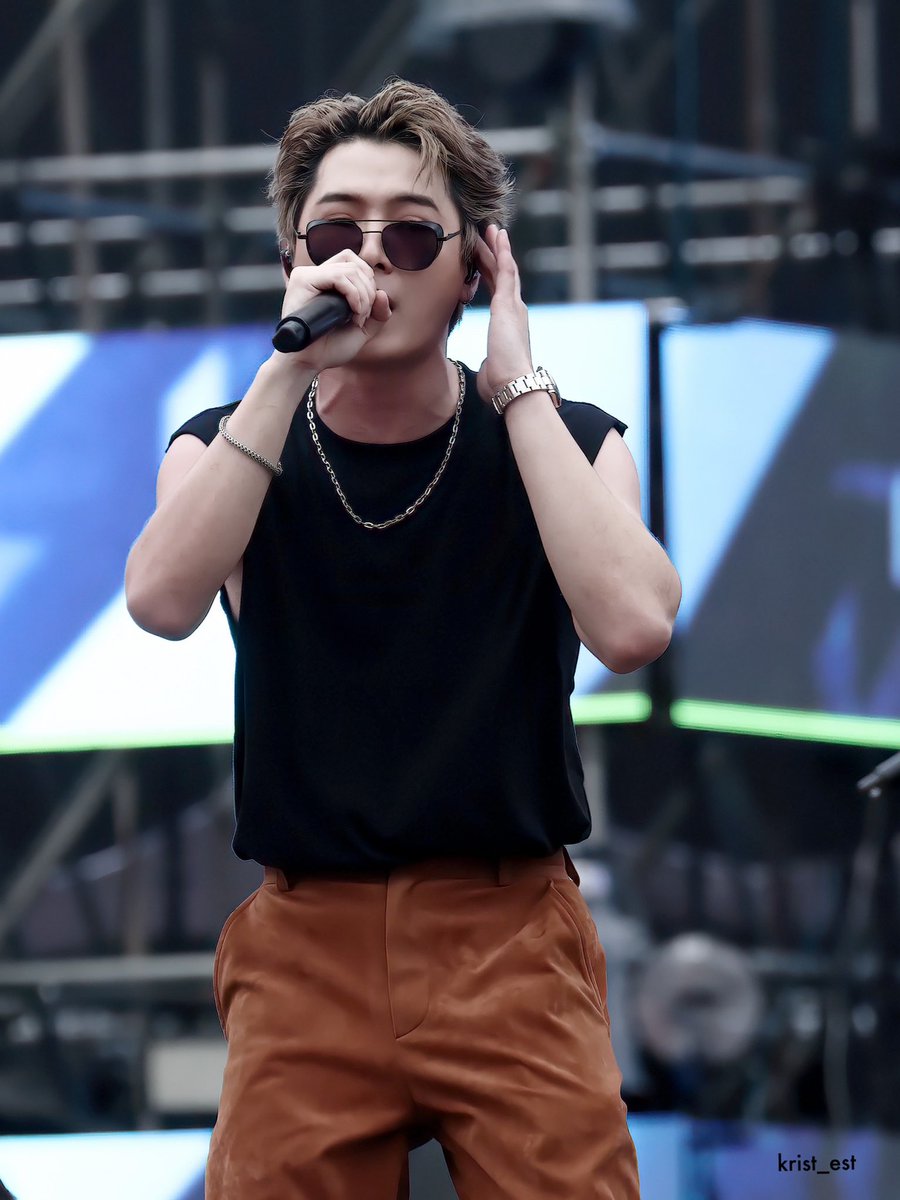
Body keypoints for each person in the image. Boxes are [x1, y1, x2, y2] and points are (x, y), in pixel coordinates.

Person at [125, 78, 680, 1200]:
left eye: (413, 234)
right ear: (293, 257)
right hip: (306, 941)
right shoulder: (225, 445)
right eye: (335, 232)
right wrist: (288, 365)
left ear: (475, 267)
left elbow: (632, 625)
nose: (370, 256)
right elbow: (160, 599)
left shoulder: (568, 442)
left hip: (507, 933)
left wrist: (520, 386)